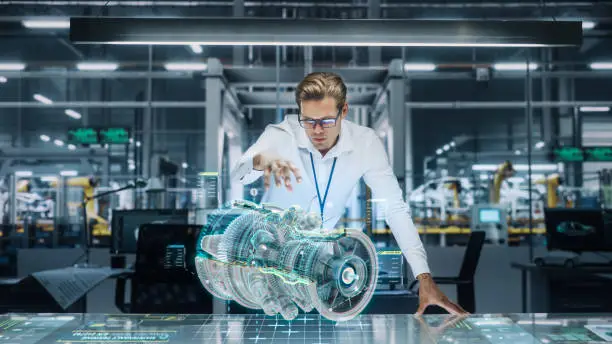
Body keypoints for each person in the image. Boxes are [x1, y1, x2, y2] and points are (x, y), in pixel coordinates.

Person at [231, 72, 467, 315]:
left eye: (326, 121)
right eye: (308, 121)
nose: (317, 130)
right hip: (267, 257)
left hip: (318, 265)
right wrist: (259, 161)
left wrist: (424, 276)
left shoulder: (365, 144)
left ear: (343, 111)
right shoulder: (280, 135)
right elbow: (237, 174)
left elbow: (394, 207)